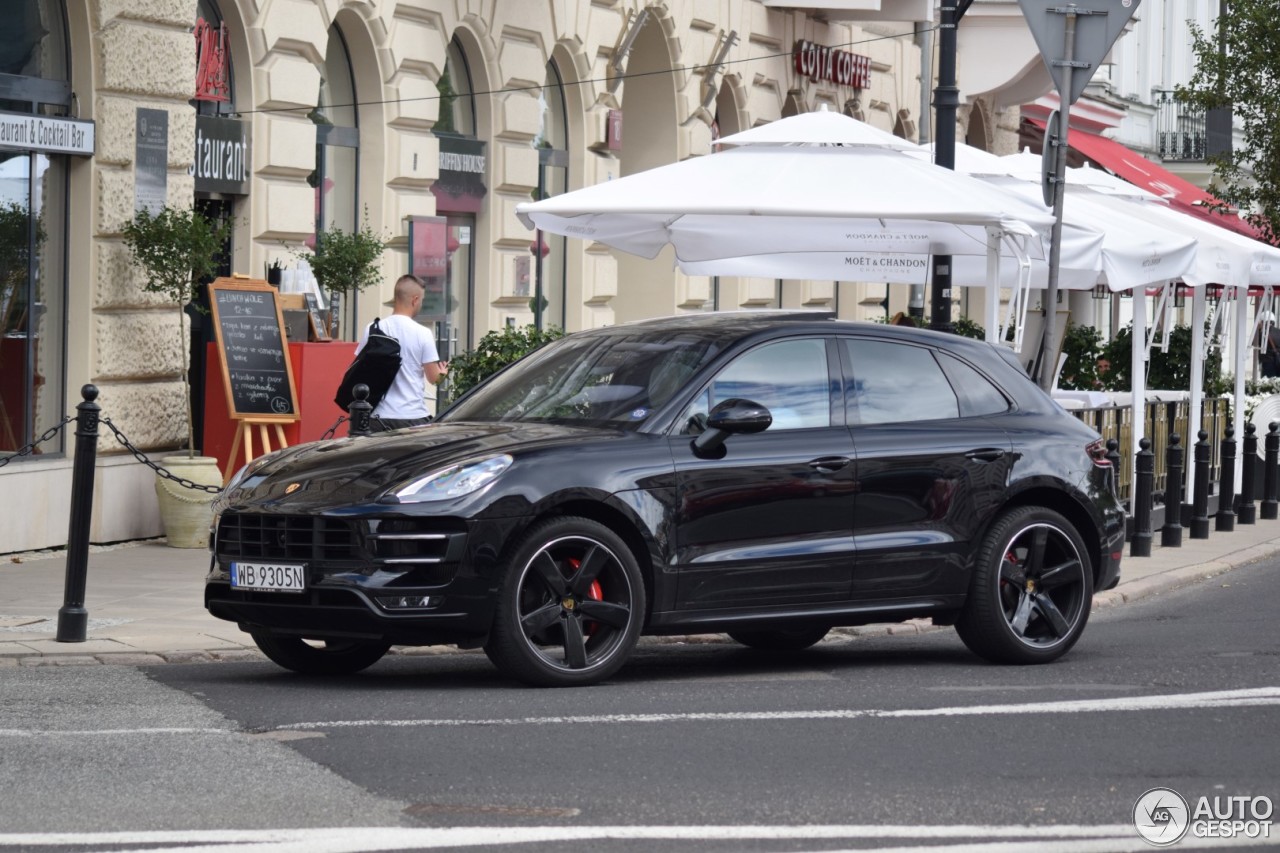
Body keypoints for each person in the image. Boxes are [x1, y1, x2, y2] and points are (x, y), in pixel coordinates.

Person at [355, 274, 449, 431]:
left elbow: (360, 368)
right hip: (412, 418)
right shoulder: (423, 333)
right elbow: (434, 379)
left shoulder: (373, 329)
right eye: (422, 300)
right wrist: (443, 372)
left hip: (377, 416)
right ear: (415, 300)